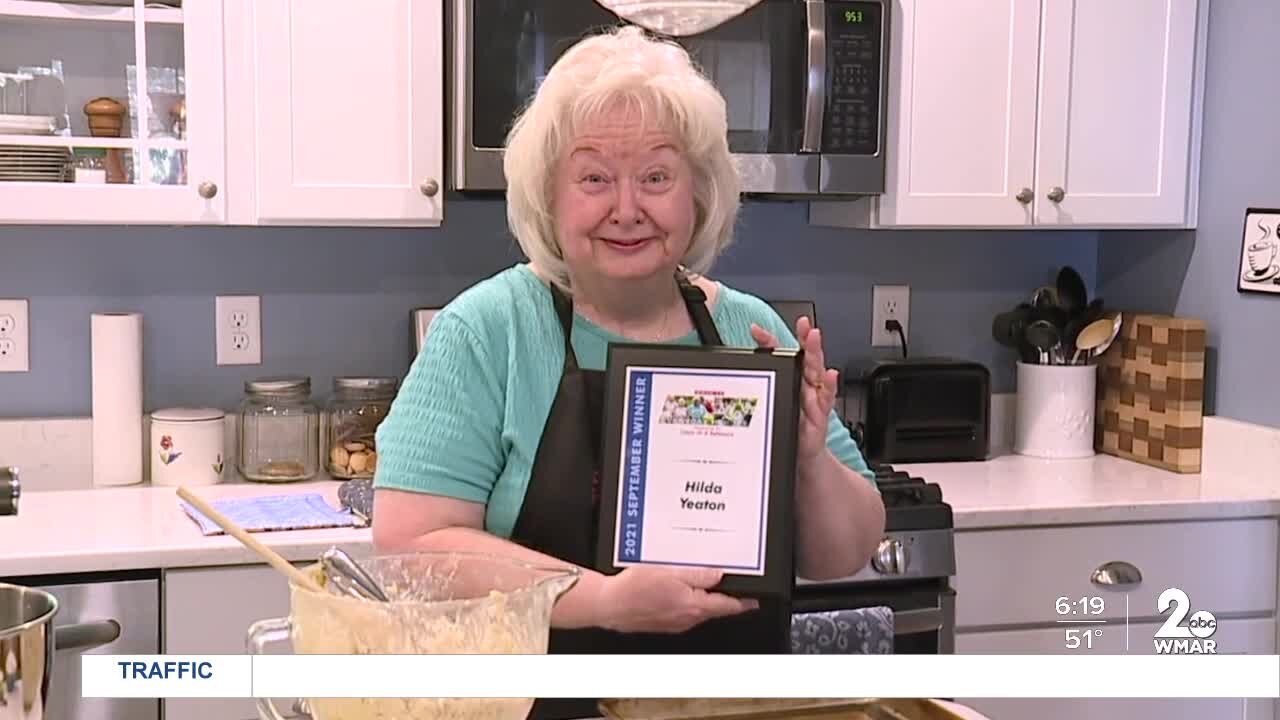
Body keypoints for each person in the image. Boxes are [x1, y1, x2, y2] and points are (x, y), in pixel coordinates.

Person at [371, 24, 886, 719]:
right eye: (593, 178)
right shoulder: (490, 331)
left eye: (655, 176)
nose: (626, 208)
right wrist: (607, 600)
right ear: (548, 196)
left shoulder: (747, 330)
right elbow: (411, 547)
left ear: (697, 194)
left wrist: (809, 460)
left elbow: (843, 553)